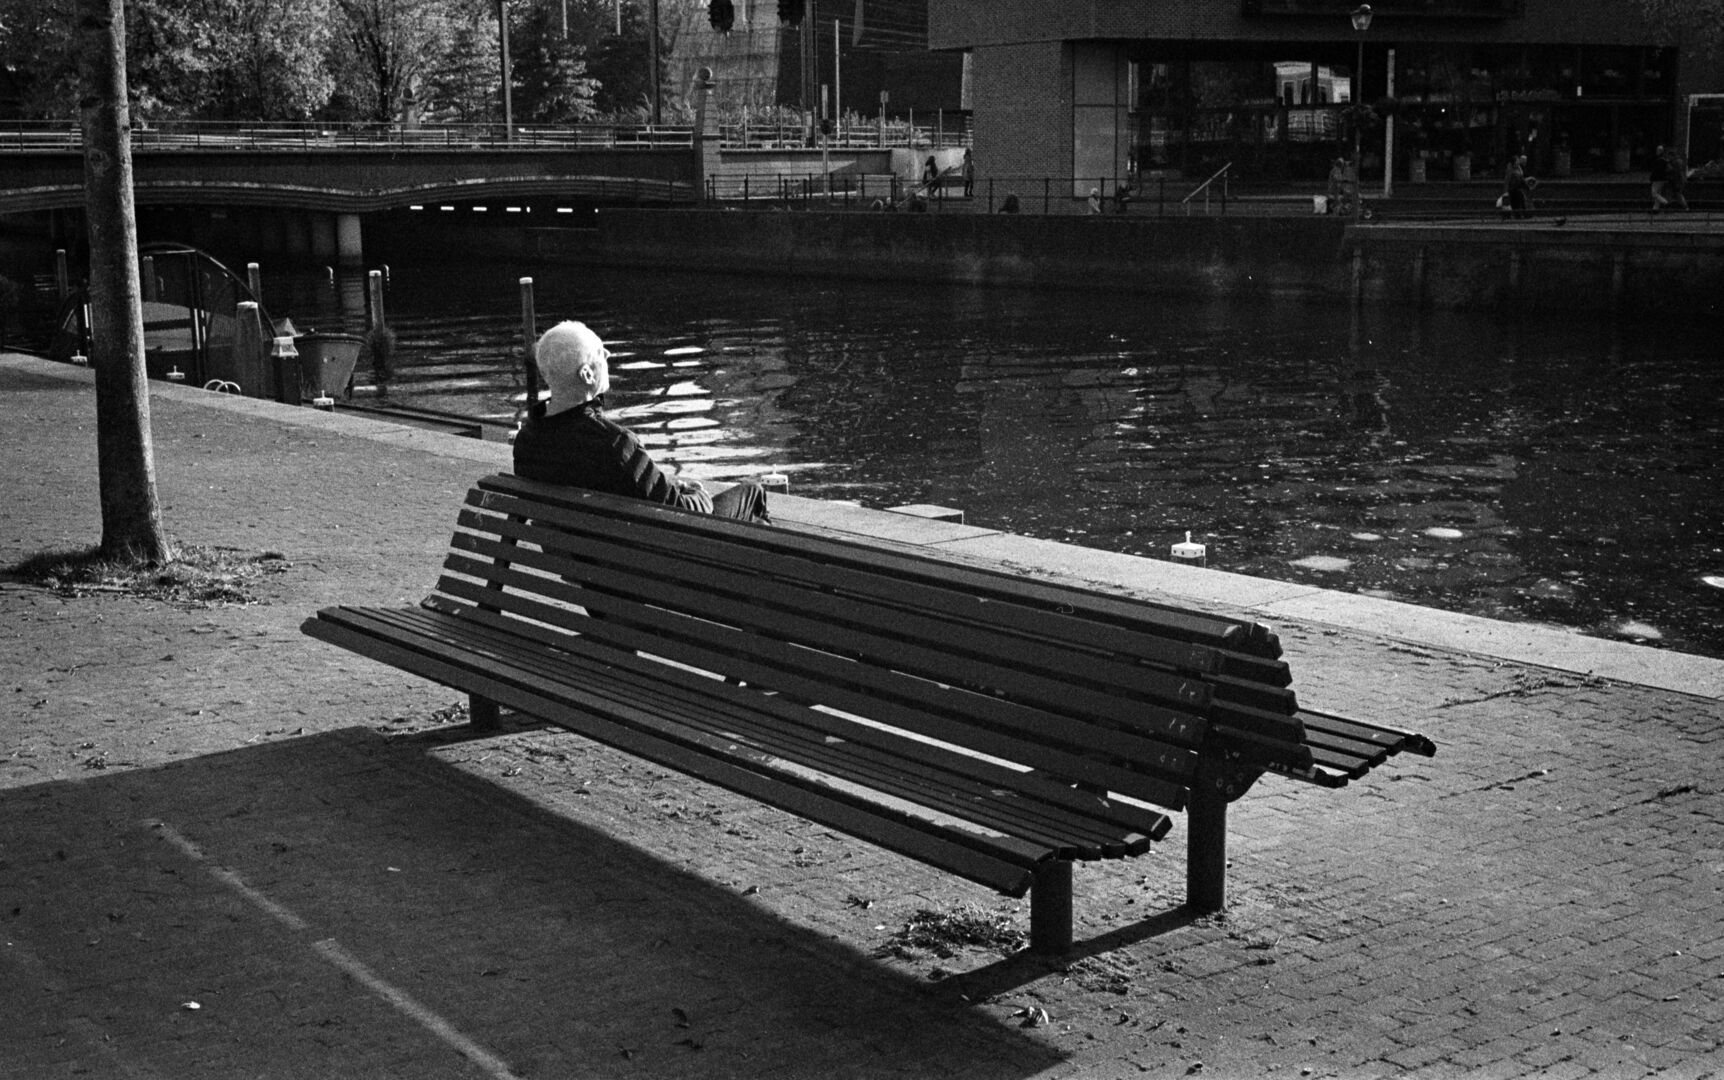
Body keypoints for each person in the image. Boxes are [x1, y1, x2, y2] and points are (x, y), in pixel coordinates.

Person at [513, 320, 770, 523]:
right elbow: (682, 512)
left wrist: (666, 485)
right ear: (587, 374)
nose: (608, 354)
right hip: (653, 572)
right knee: (752, 494)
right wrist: (697, 493)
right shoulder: (615, 444)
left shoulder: (527, 440)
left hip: (589, 569)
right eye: (601, 352)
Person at [1502, 153, 1530, 219]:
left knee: (1520, 201)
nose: (1518, 162)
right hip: (1513, 188)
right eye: (1517, 160)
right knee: (1517, 201)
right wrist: (1505, 190)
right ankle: (1519, 214)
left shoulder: (1519, 168)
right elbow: (1507, 180)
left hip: (1517, 187)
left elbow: (1521, 177)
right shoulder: (1510, 170)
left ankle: (1522, 214)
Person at [1665, 145, 1690, 210]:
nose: (1668, 157)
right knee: (1676, 195)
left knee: (1677, 195)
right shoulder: (1679, 161)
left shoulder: (1674, 162)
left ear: (1672, 156)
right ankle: (1684, 207)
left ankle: (1685, 207)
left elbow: (1672, 171)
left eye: (1669, 156)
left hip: (1676, 181)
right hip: (1678, 181)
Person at [1650, 145, 1670, 212]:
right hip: (1663, 178)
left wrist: (1652, 177)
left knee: (1654, 193)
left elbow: (1656, 170)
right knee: (1658, 193)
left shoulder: (1658, 160)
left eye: (1657, 150)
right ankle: (1655, 208)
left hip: (1657, 179)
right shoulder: (1665, 159)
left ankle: (1665, 202)